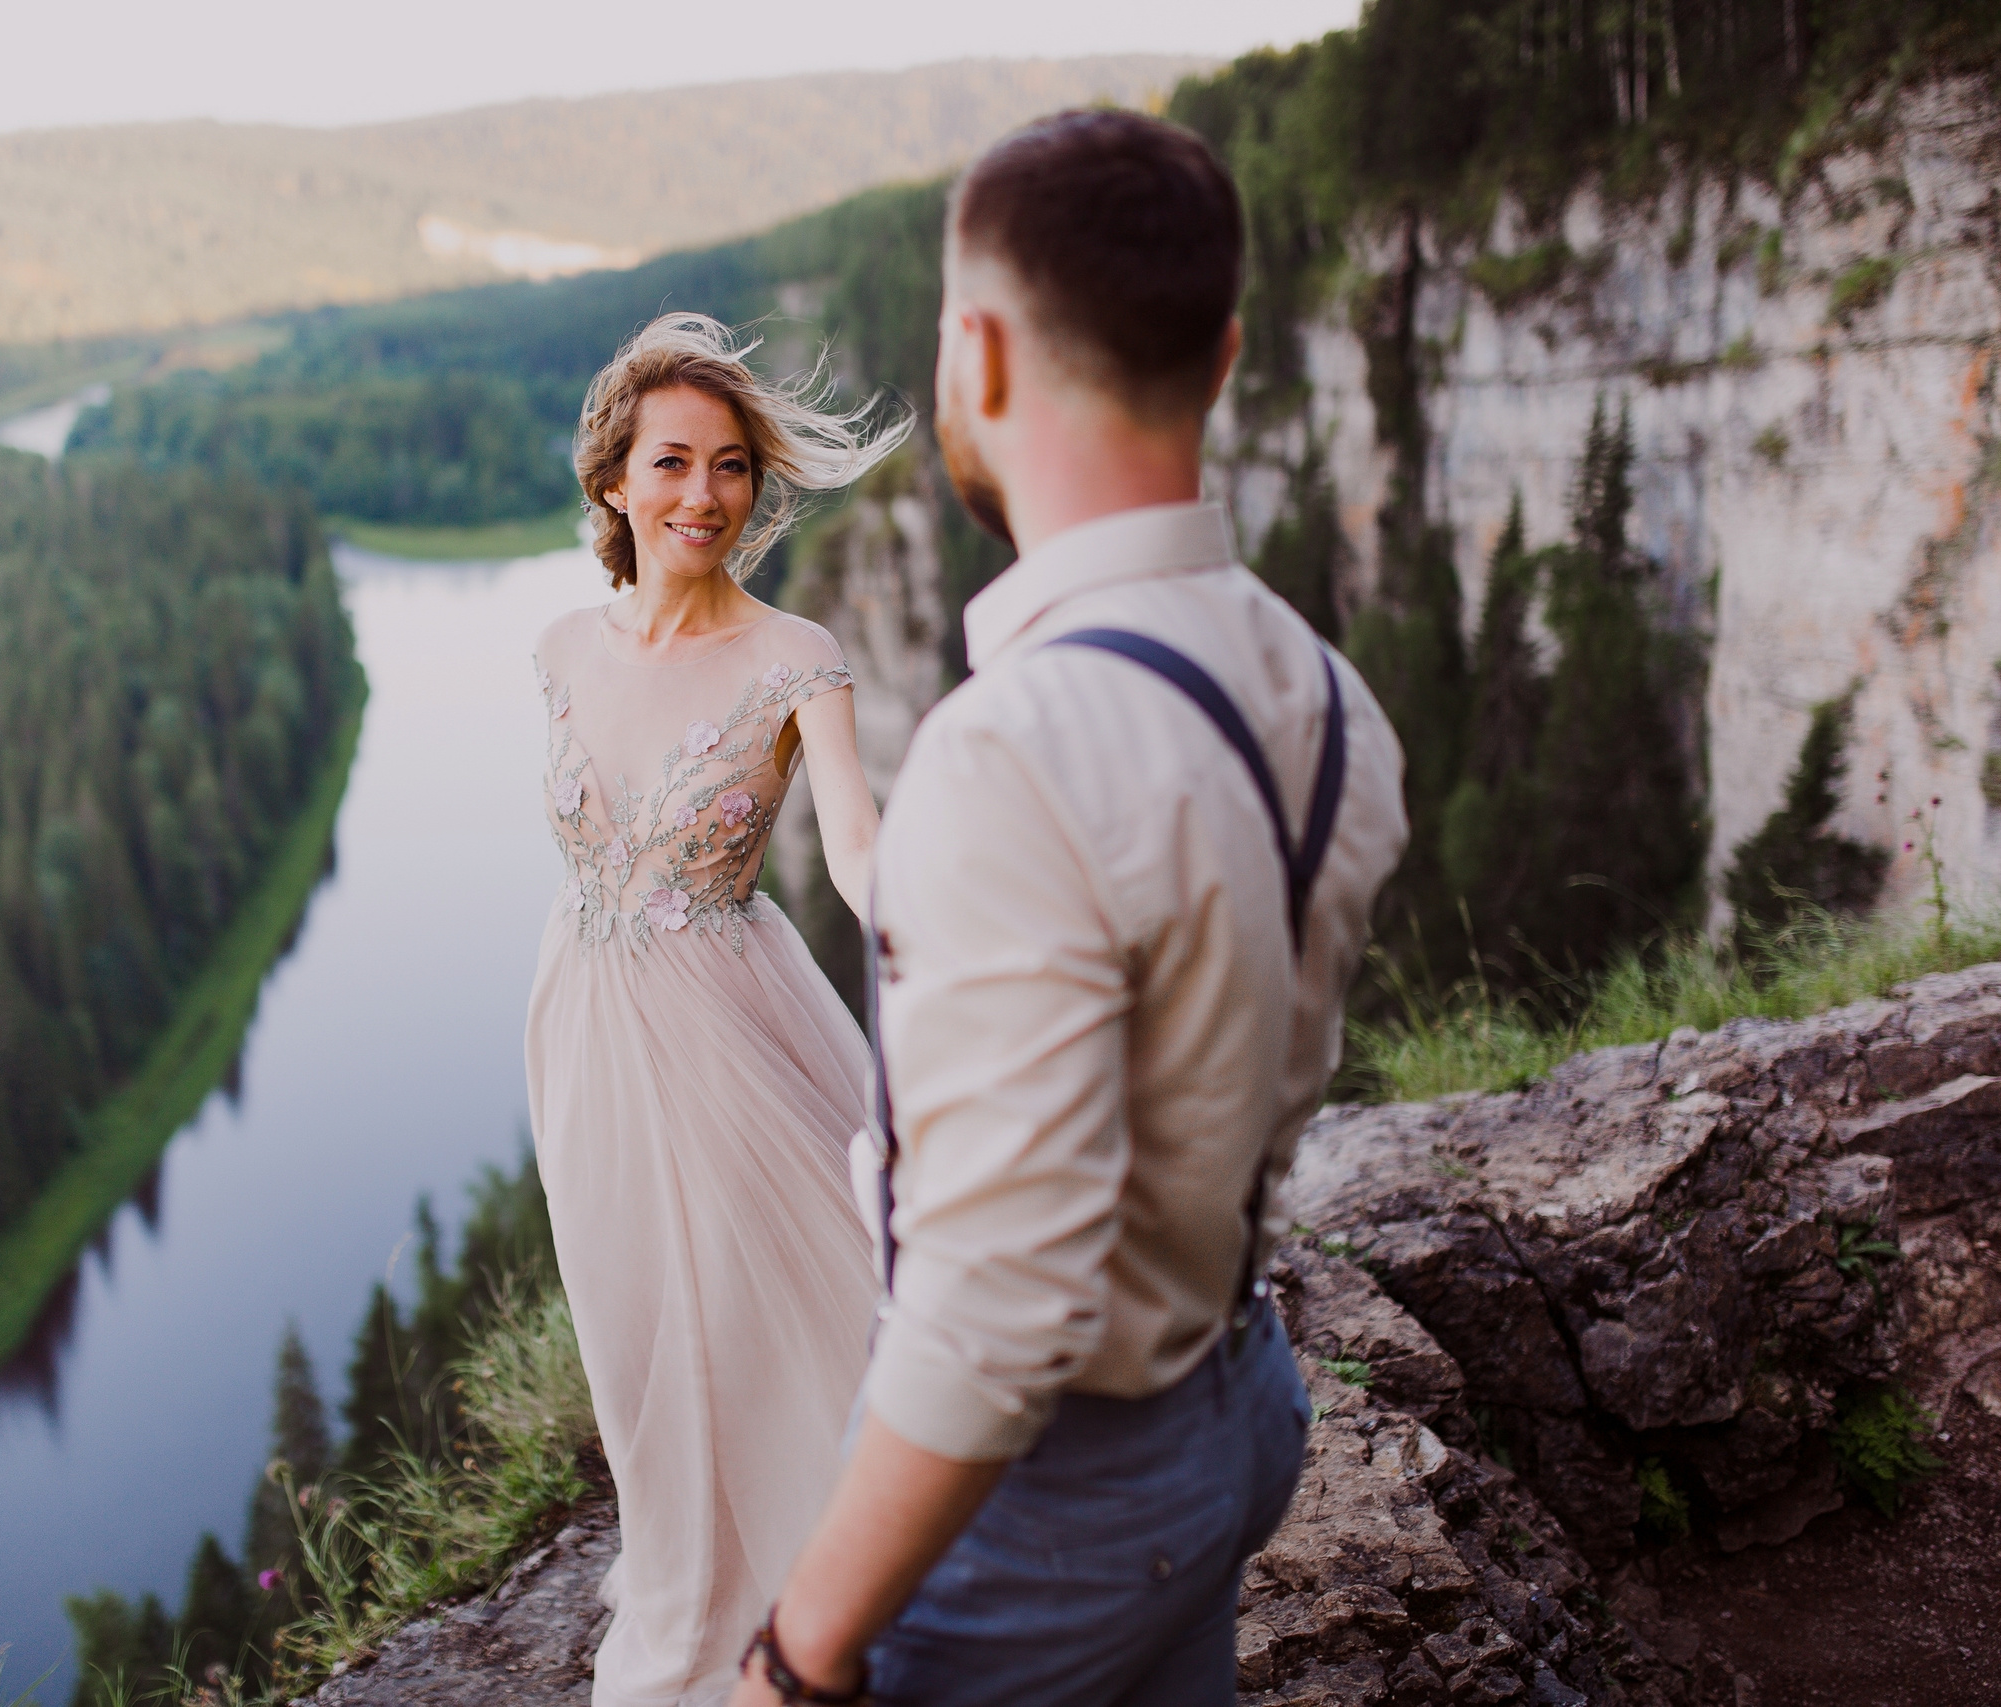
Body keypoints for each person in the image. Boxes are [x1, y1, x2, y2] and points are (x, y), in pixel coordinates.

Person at [730, 111, 1409, 1707]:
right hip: (1236, 1404)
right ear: (1228, 353)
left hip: (1047, 1504)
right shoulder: (1331, 695)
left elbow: (996, 1305)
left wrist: (798, 1656)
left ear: (974, 349)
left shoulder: (1011, 754)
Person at [527, 313, 913, 1706]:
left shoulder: (795, 657)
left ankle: (829, 1600)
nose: (704, 495)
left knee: (789, 1315)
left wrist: (931, 924)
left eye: (733, 466)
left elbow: (860, 849)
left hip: (732, 1034)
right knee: (637, 1332)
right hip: (581, 1031)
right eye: (672, 463)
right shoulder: (562, 647)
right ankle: (690, 1574)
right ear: (614, 483)